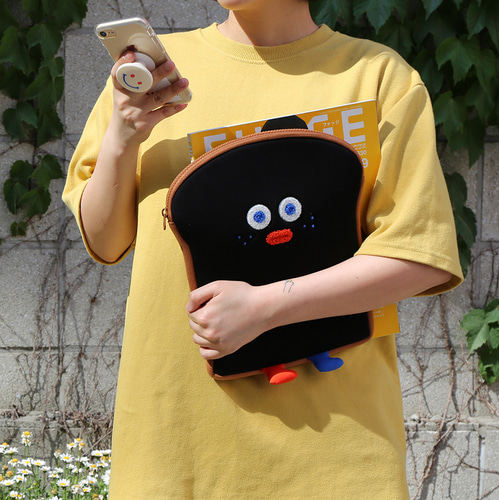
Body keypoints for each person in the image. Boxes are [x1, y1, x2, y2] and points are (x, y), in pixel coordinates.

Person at [62, 0, 463, 497]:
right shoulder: (157, 76)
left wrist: (266, 306)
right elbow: (105, 242)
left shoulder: (377, 76)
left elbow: (419, 256)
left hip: (335, 452)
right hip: (175, 444)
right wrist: (123, 136)